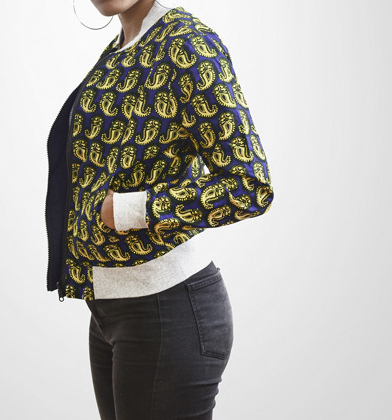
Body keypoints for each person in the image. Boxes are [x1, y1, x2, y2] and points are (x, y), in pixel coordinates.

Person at [44, 0, 274, 418]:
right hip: (111, 310)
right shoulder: (121, 49)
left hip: (167, 312)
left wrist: (132, 209)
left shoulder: (187, 44)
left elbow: (249, 185)